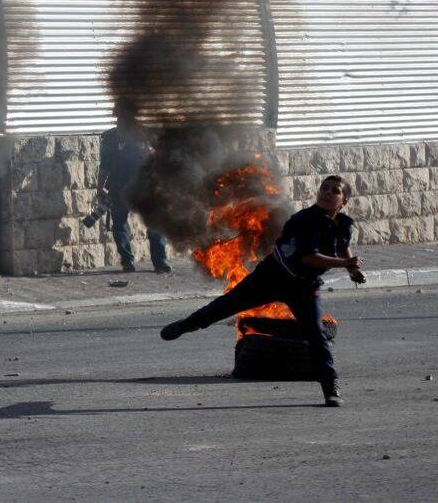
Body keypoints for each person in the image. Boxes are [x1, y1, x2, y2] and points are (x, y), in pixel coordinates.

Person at [159, 175, 366, 407]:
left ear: (344, 201)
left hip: (303, 287)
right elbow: (310, 258)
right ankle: (185, 325)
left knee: (317, 337)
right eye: (324, 188)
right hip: (271, 277)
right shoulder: (304, 220)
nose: (327, 193)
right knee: (226, 305)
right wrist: (346, 264)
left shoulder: (344, 223)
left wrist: (352, 271)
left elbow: (342, 246)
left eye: (334, 191)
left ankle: (330, 388)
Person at [97, 101, 171, 273]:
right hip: (122, 186)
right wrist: (99, 188)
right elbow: (105, 166)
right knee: (122, 224)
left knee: (149, 223)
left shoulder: (144, 135)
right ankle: (134, 262)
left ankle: (155, 261)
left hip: (143, 186)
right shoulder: (111, 138)